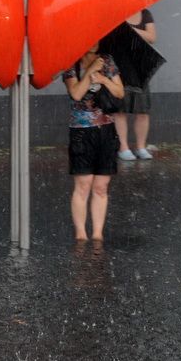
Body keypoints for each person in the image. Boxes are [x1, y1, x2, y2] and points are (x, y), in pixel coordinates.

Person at [63, 43, 124, 242]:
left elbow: (119, 92)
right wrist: (90, 71)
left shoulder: (107, 61)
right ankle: (81, 232)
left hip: (106, 130)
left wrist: (104, 79)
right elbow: (76, 94)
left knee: (101, 185)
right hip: (81, 132)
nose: (94, 41)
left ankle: (98, 232)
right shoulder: (71, 64)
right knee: (83, 183)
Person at [114, 8, 157, 161]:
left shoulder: (145, 13)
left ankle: (140, 147)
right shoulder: (116, 14)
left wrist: (129, 30)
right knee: (120, 109)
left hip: (140, 68)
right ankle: (123, 147)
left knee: (143, 110)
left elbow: (152, 37)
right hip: (120, 67)